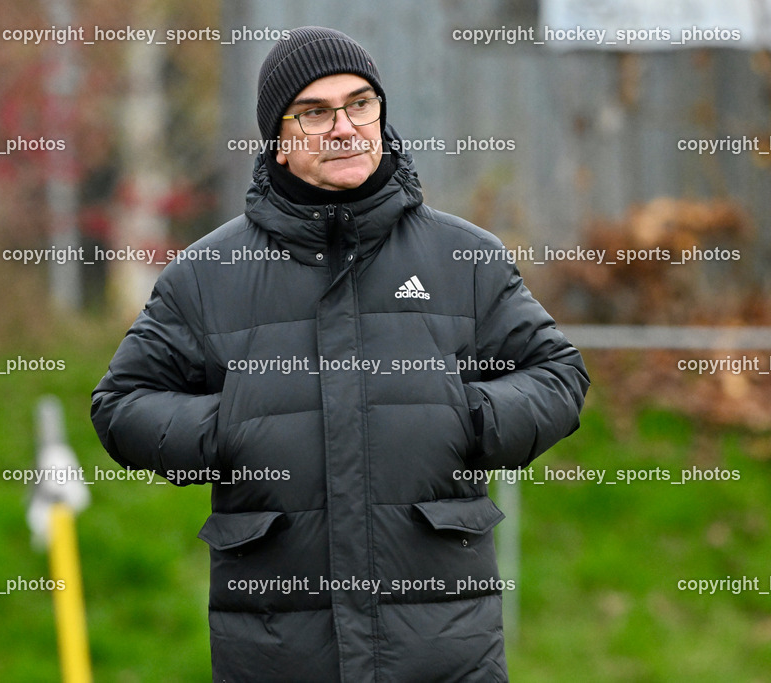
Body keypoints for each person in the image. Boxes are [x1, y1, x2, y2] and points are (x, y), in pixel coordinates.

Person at [92, 26, 589, 682]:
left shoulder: (463, 257)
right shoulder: (207, 275)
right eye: (316, 112)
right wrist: (229, 427)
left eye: (360, 103)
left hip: (443, 650)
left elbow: (558, 375)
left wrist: (467, 417)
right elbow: (122, 405)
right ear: (278, 138)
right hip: (276, 650)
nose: (345, 127)